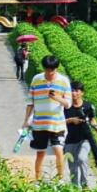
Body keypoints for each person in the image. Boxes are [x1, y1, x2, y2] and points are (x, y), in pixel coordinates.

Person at [22, 54, 72, 182]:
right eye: (47, 70)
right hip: (40, 123)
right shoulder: (36, 79)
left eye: (52, 70)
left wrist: (56, 98)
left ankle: (60, 179)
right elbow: (30, 102)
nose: (49, 73)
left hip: (57, 123)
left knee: (58, 150)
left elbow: (68, 104)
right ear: (44, 68)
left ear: (56, 68)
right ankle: (38, 179)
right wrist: (26, 121)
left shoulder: (64, 81)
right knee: (40, 153)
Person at [64, 81, 97, 188]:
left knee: (82, 158)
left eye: (76, 91)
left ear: (82, 93)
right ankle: (75, 188)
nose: (73, 93)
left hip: (85, 139)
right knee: (73, 166)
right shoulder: (66, 106)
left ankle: (85, 184)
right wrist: (71, 120)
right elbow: (59, 121)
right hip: (70, 140)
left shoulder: (88, 106)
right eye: (72, 90)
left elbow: (92, 120)